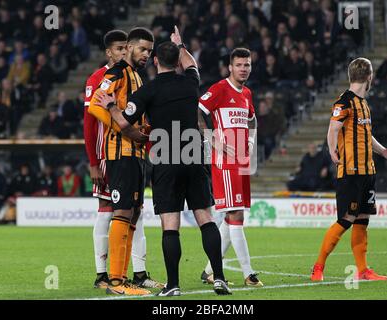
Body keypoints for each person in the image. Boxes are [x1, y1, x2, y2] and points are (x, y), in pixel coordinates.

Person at [94, 26, 231, 297]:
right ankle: (220, 278)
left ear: (156, 61)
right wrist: (181, 45)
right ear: (177, 59)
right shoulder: (191, 81)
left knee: (171, 225)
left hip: (165, 157)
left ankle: (173, 285)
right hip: (193, 155)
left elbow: (122, 122)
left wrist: (110, 104)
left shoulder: (148, 90)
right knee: (206, 219)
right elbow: (191, 64)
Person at [311, 57, 387, 282]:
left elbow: (366, 134)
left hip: (367, 171)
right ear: (369, 77)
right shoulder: (344, 101)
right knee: (346, 219)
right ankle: (318, 267)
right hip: (351, 172)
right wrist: (332, 150)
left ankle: (363, 270)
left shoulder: (363, 104)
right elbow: (333, 127)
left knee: (362, 219)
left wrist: (383, 152)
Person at [88, 28, 160, 296]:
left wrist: (144, 129)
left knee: (134, 212)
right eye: (142, 49)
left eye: (150, 51)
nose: (146, 55)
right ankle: (116, 281)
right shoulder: (116, 72)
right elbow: (96, 105)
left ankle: (123, 277)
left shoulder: (137, 77)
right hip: (120, 153)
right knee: (122, 212)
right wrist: (125, 130)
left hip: (137, 153)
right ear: (128, 47)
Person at [197, 47, 263, 287]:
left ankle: (209, 271)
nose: (244, 69)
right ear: (230, 67)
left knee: (231, 216)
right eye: (239, 65)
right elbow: (198, 110)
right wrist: (212, 138)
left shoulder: (247, 93)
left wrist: (252, 142)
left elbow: (253, 119)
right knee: (236, 215)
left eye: (247, 65)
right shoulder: (219, 89)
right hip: (225, 162)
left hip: (241, 161)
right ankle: (248, 274)